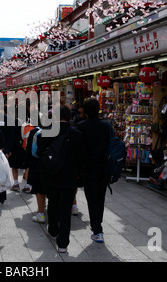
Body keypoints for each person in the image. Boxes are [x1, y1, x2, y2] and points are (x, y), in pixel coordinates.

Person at [38, 105, 84, 253]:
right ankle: (63, 243)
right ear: (69, 117)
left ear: (55, 117)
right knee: (65, 208)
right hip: (70, 177)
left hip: (51, 175)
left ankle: (53, 230)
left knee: (52, 203)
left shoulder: (47, 133)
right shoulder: (77, 134)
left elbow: (39, 153)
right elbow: (82, 157)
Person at [76, 97, 111, 243]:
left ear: (84, 110)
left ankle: (97, 229)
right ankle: (98, 227)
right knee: (100, 198)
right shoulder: (106, 126)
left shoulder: (80, 126)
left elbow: (78, 149)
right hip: (103, 167)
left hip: (87, 168)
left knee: (91, 198)